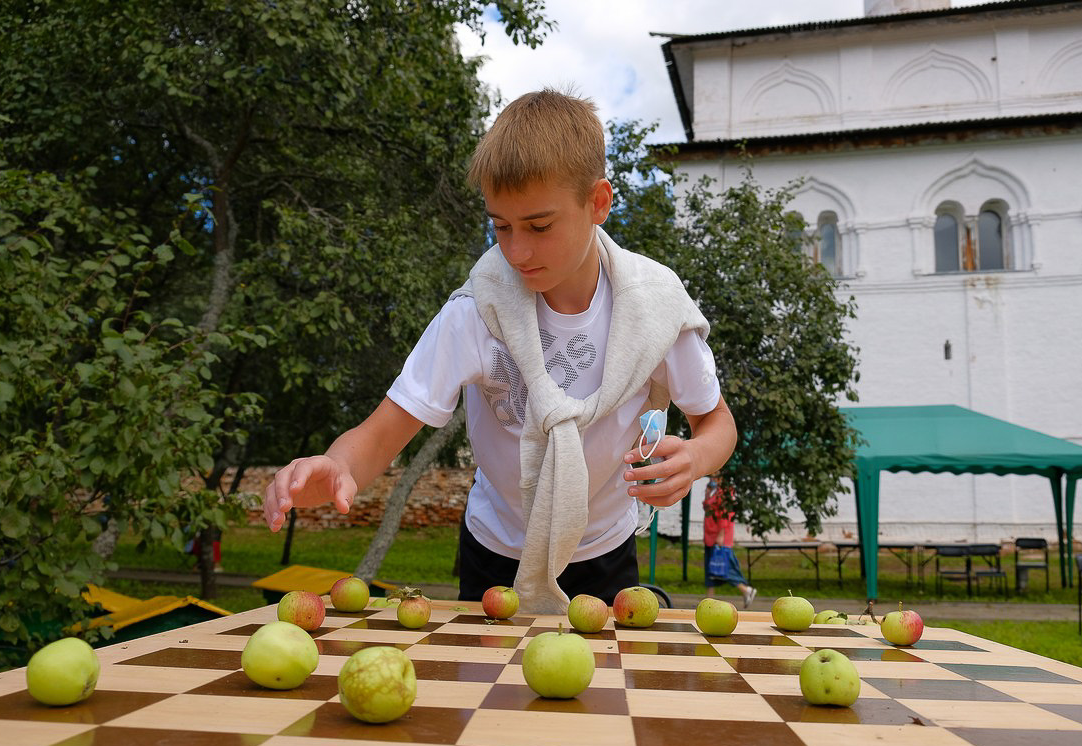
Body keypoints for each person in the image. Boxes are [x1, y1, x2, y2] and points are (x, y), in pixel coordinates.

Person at [262, 89, 736, 612]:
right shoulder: (475, 310)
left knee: (600, 694)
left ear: (598, 202)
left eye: (539, 226)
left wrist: (695, 458)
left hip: (606, 552)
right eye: (500, 226)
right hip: (494, 553)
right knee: (489, 694)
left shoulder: (656, 307)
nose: (516, 251)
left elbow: (716, 424)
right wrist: (335, 464)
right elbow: (380, 436)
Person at [703, 474, 756, 608]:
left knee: (723, 568)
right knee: (711, 569)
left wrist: (721, 535)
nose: (711, 479)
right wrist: (707, 496)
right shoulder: (713, 490)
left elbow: (726, 515)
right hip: (710, 535)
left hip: (720, 537)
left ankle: (746, 590)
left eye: (714, 476)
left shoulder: (725, 492)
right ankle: (708, 601)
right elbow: (707, 509)